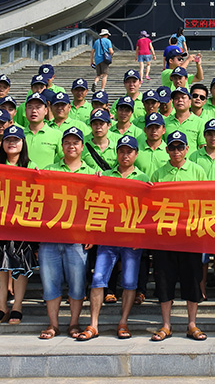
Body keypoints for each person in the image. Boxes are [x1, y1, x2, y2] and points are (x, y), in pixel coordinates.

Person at [78, 135, 149, 341]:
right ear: (116, 153)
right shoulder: (105, 176)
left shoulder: (143, 179)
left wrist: (142, 237)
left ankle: (123, 322)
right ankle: (93, 324)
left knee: (129, 282)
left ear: (136, 154)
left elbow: (148, 212)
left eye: (129, 151)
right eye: (122, 151)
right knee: (99, 279)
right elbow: (94, 206)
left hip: (131, 239)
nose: (125, 155)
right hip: (107, 238)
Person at [150, 130, 209, 342]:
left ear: (187, 149)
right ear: (166, 150)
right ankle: (166, 325)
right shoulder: (158, 174)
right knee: (164, 283)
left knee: (192, 281)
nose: (176, 151)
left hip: (190, 237)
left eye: (180, 147)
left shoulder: (198, 171)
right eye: (172, 147)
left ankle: (192, 324)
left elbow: (207, 202)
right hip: (164, 237)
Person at [37, 127, 93, 340]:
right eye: (67, 142)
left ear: (81, 147)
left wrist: (91, 233)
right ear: (62, 146)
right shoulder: (49, 170)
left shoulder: (91, 173)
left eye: (76, 142)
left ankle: (73, 323)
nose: (71, 146)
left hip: (77, 239)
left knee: (77, 283)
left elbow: (95, 206)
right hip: (50, 237)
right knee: (50, 283)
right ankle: (53, 325)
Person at [0, 125, 36, 326]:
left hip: (22, 224)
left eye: (16, 139)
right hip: (0, 224)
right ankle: (1, 307)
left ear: (23, 143)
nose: (12, 143)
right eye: (8, 140)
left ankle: (17, 306)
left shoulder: (31, 167)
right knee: (0, 266)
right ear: (2, 144)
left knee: (19, 266)